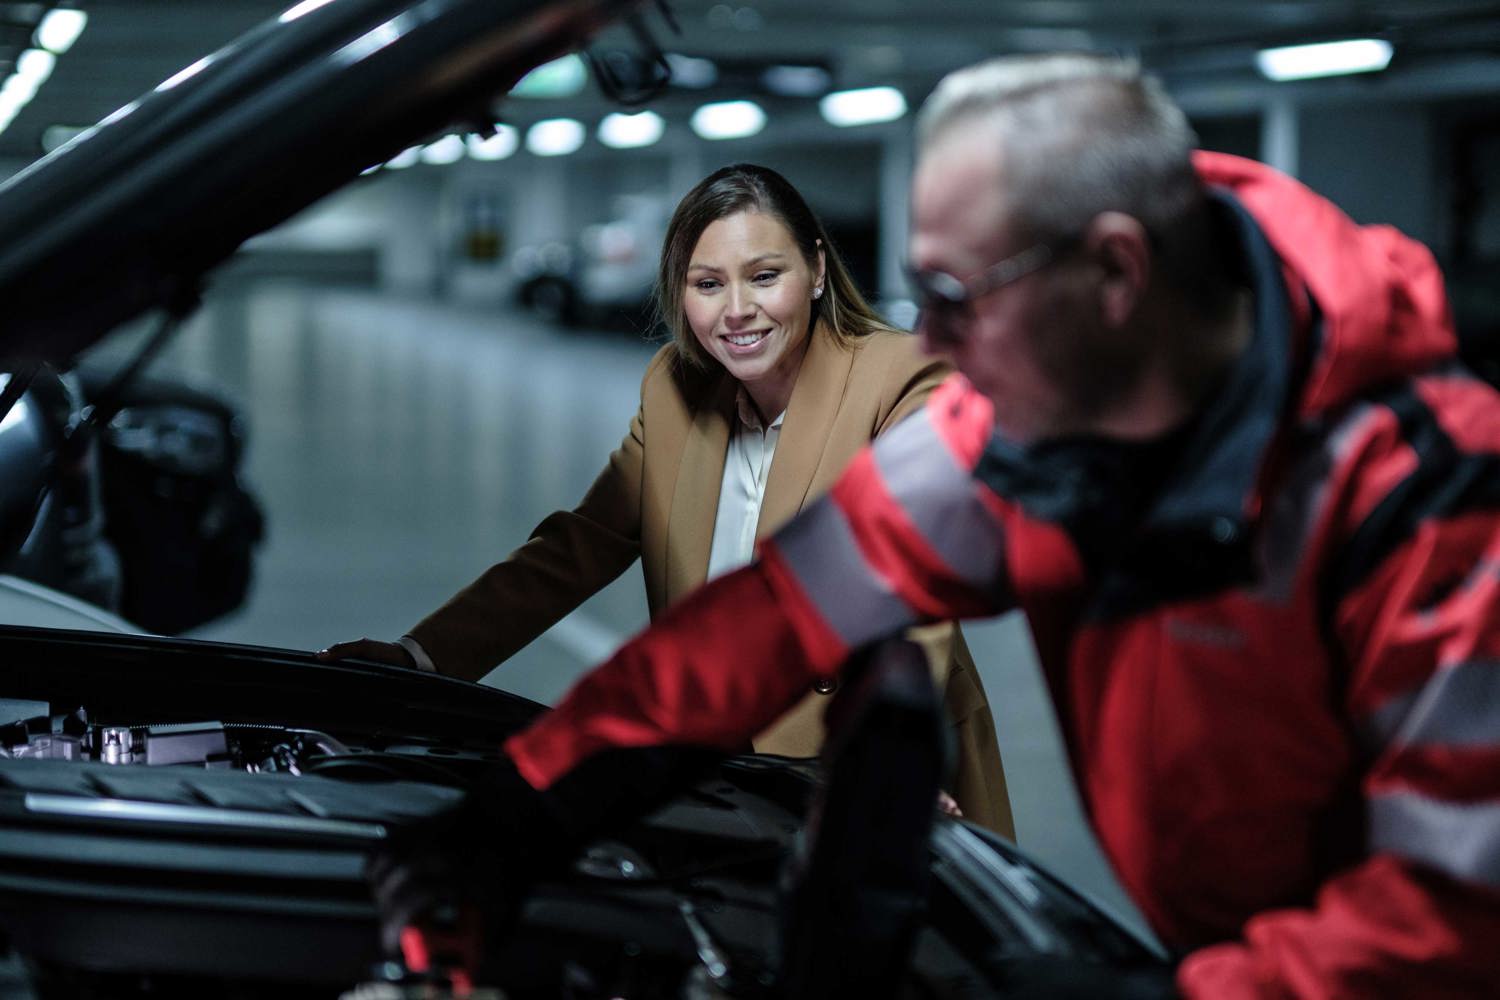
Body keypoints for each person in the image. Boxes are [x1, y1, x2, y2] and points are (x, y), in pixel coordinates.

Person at [404, 54, 1500, 998]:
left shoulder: (1431, 502)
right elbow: (775, 617)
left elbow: (1450, 915)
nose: (931, 338)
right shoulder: (1019, 424)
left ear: (1115, 270)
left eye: (958, 292)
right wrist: (527, 802)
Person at [320, 163, 1014, 835]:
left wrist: (893, 750)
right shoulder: (676, 387)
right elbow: (579, 546)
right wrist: (421, 657)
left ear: (817, 272)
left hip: (869, 771)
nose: (736, 310)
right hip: (718, 777)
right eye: (708, 284)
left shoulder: (903, 378)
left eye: (764, 276)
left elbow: (905, 576)